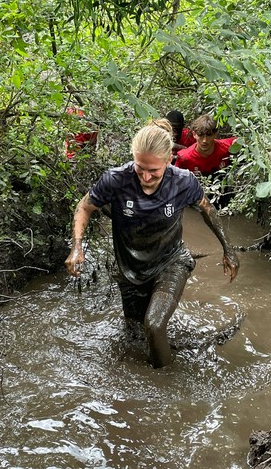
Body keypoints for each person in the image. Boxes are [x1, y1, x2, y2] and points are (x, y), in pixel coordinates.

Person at [64, 122, 239, 369]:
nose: (146, 178)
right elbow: (85, 206)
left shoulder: (183, 182)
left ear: (169, 160)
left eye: (154, 171)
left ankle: (165, 384)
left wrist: (228, 250)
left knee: (155, 324)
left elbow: (207, 209)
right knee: (134, 332)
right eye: (140, 169)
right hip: (130, 269)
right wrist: (77, 246)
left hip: (171, 261)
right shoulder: (116, 180)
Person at [175, 114, 236, 207]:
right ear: (194, 134)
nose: (204, 140)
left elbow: (246, 139)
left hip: (221, 192)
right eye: (200, 135)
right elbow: (175, 182)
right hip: (197, 197)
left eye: (209, 135)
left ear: (215, 134)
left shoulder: (226, 146)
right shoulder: (184, 157)